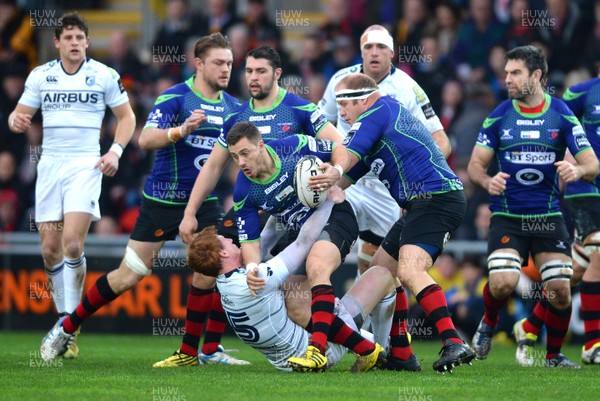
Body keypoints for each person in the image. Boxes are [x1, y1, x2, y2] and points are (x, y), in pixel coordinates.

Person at [38, 33, 243, 364]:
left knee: (218, 262)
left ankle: (202, 350)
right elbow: (144, 139)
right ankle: (67, 326)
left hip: (204, 201)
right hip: (162, 200)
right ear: (199, 64)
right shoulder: (176, 98)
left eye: (230, 63)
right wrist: (180, 131)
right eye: (219, 63)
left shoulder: (234, 107)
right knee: (129, 275)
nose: (226, 69)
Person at [156, 45, 345, 365]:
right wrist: (189, 212)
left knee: (295, 285)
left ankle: (354, 337)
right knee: (210, 261)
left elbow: (340, 145)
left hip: (292, 207)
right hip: (251, 204)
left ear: (278, 74)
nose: (252, 78)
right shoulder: (237, 118)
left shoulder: (300, 109)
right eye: (248, 71)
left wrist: (334, 176)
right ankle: (192, 351)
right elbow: (213, 167)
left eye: (260, 71)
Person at [312, 72, 475, 373]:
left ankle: (453, 340)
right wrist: (321, 187)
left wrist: (333, 169)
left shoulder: (378, 111)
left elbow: (346, 157)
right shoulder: (381, 118)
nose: (341, 113)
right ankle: (401, 353)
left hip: (436, 199)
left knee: (410, 270)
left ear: (360, 99)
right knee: (381, 269)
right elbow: (349, 174)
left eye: (342, 105)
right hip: (422, 203)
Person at [9, 12, 136, 359]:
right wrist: (16, 120)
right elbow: (18, 114)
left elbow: (127, 117)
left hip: (85, 163)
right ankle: (64, 317)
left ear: (88, 42)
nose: (75, 43)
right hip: (50, 164)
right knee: (50, 249)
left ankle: (69, 323)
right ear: (57, 43)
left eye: (80, 37)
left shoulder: (104, 75)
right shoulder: (41, 75)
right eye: (69, 38)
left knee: (71, 243)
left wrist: (115, 151)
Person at [467, 45, 598, 368]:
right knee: (503, 283)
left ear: (536, 76)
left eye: (515, 73)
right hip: (508, 216)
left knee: (560, 290)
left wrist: (577, 170)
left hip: (549, 215)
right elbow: (474, 166)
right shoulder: (499, 114)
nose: (507, 79)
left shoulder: (561, 115)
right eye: (506, 72)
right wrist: (487, 182)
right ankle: (488, 323)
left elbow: (592, 164)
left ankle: (552, 356)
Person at [225, 122, 383, 372]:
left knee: (317, 265)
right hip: (298, 229)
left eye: (245, 153)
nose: (240, 162)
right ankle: (368, 349)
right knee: (297, 307)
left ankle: (317, 350)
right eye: (234, 156)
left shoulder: (293, 146)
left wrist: (337, 171)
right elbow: (250, 241)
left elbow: (339, 147)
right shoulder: (244, 190)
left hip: (336, 214)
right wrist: (253, 266)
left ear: (261, 146)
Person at [190, 187, 393, 372]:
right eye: (223, 240)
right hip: (319, 352)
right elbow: (302, 243)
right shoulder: (257, 279)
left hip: (284, 363)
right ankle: (384, 347)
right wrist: (329, 201)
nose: (228, 238)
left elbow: (265, 240)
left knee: (295, 291)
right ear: (223, 255)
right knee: (381, 274)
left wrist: (276, 209)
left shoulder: (225, 283)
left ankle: (372, 343)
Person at [514, 69, 600, 365]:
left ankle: (529, 325)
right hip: (585, 187)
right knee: (599, 251)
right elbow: (556, 123)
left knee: (574, 270)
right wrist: (564, 161)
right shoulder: (583, 93)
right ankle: (593, 343)